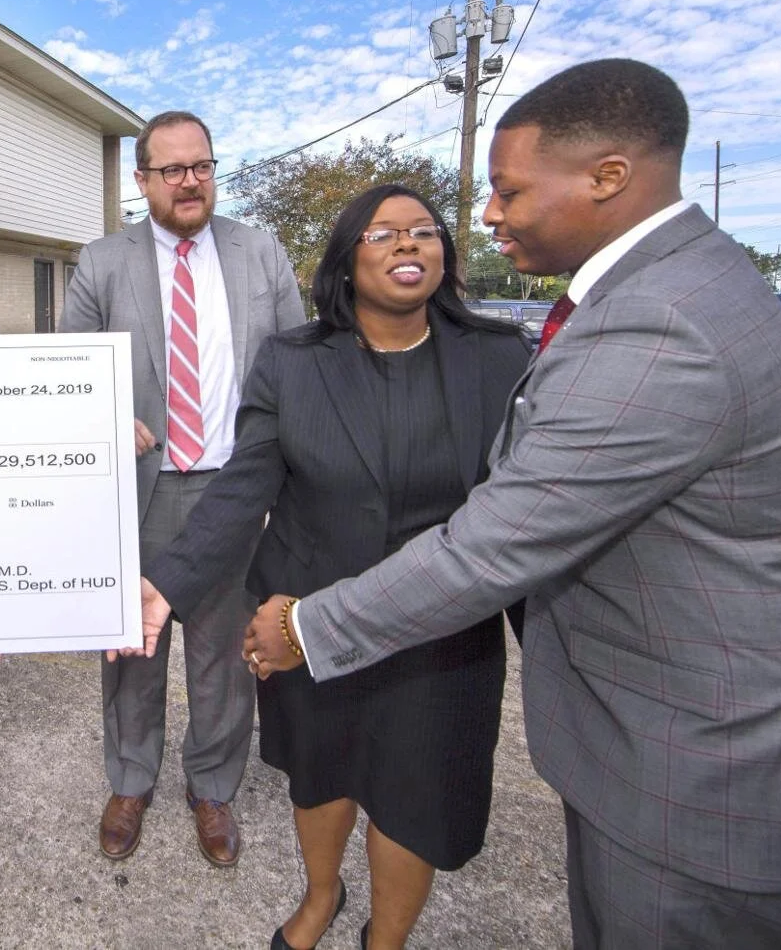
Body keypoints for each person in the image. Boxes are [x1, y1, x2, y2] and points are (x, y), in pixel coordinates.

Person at [233, 59, 781, 948]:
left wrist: (306, 628)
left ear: (606, 177)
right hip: (674, 755)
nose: (487, 214)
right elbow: (634, 455)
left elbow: (494, 543)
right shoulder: (682, 286)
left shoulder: (652, 318)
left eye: (508, 189)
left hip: (701, 772)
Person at [145, 185, 530, 950]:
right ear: (347, 261)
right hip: (304, 619)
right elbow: (245, 482)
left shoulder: (498, 358)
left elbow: (527, 507)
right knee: (322, 775)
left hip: (443, 629)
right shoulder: (292, 362)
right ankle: (322, 893)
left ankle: (384, 938)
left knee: (412, 799)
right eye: (384, 234)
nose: (408, 245)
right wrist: (168, 582)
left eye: (423, 232)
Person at [63, 109, 305, 867]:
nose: (189, 179)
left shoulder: (261, 252)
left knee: (223, 657)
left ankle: (212, 785)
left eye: (200, 164)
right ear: (142, 181)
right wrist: (104, 415)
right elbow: (68, 374)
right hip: (142, 488)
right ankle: (131, 777)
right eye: (171, 169)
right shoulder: (101, 262)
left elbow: (299, 361)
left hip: (237, 490)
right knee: (132, 647)